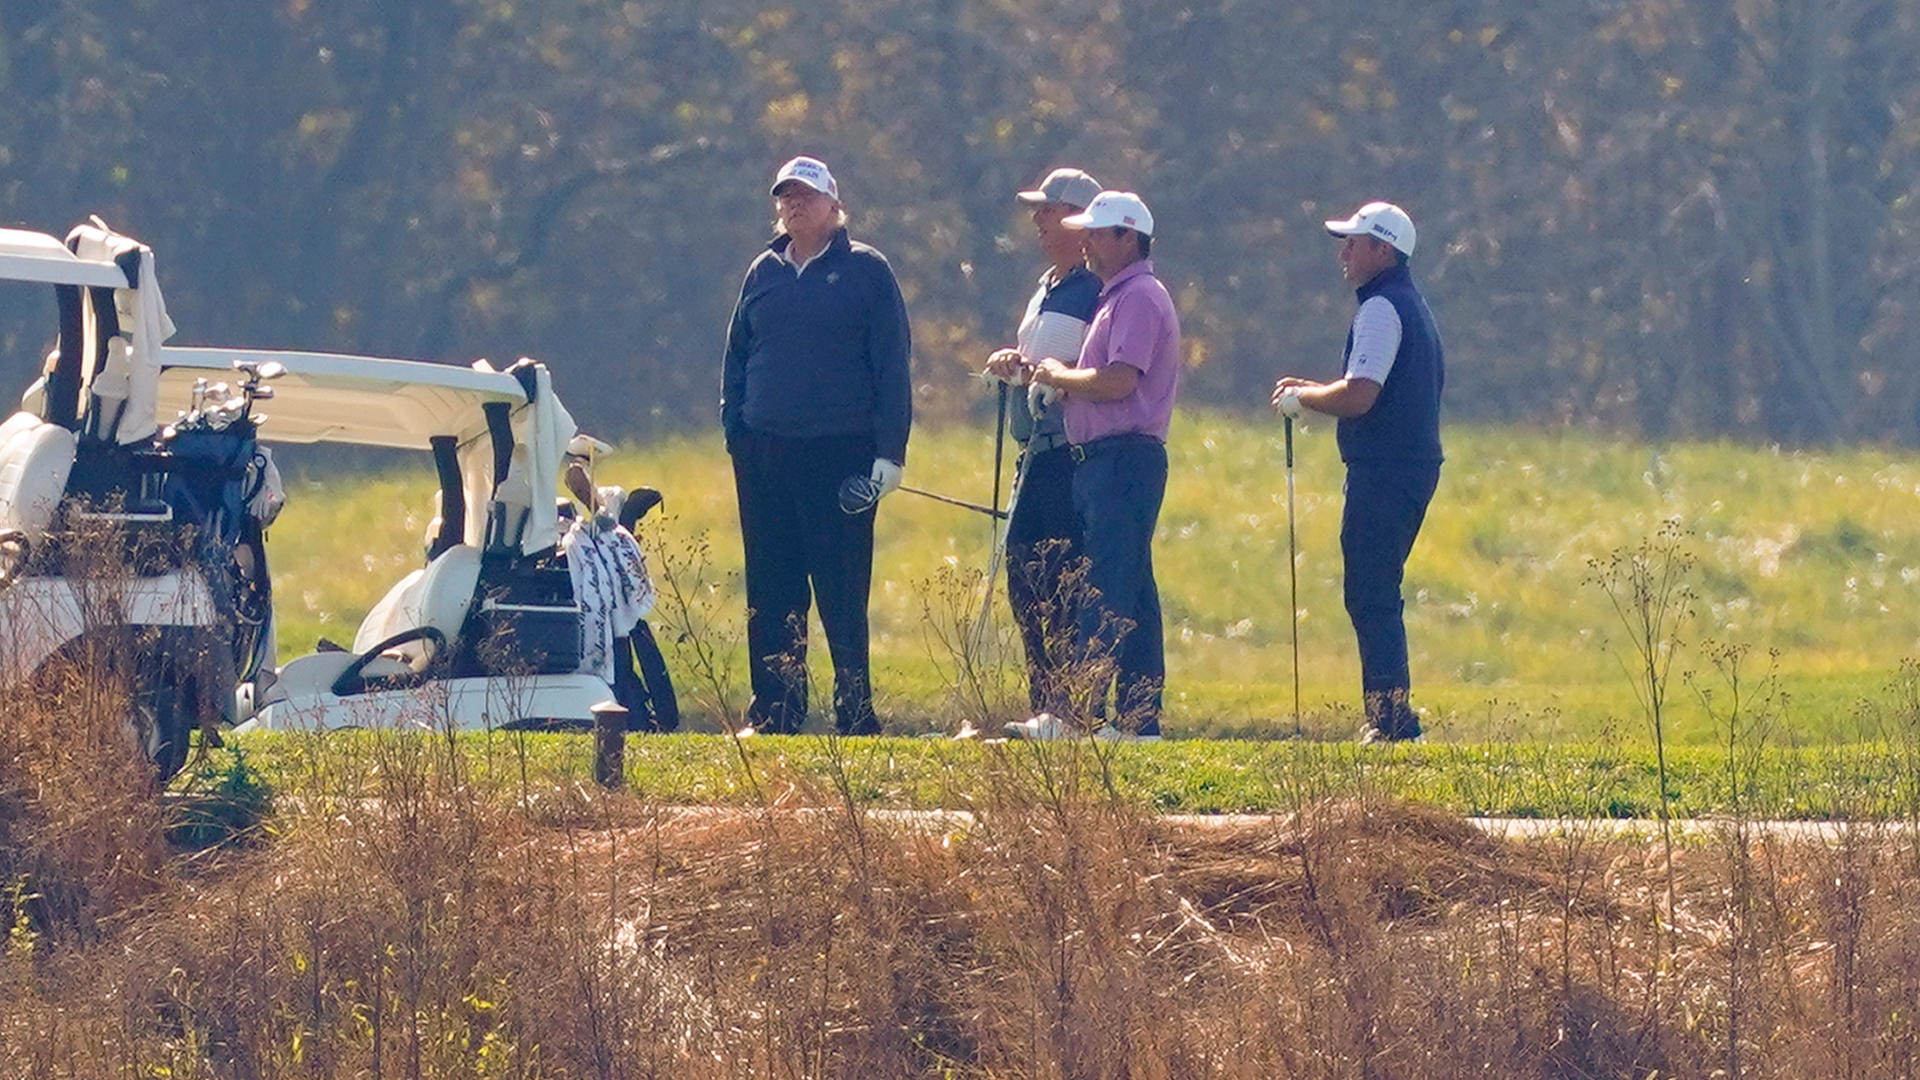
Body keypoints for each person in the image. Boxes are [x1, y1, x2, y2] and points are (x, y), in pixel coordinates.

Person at [720, 155, 912, 736]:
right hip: (765, 454)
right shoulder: (764, 272)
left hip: (840, 453)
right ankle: (776, 710)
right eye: (785, 196)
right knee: (772, 586)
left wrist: (888, 456)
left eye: (805, 195)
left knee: (840, 587)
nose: (793, 204)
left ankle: (855, 712)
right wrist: (737, 433)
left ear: (833, 204)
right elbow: (737, 356)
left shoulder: (866, 271)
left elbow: (891, 366)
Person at [1010, 190, 1180, 742]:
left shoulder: (1139, 297)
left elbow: (1117, 381)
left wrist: (1056, 376)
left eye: (1096, 233)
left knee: (1105, 585)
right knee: (1133, 587)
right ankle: (1138, 721)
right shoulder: (1114, 296)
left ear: (1127, 238)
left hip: (1124, 457)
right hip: (1105, 460)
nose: (1084, 241)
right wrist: (1055, 382)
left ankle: (1075, 713)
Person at [1273, 200, 1444, 743]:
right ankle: (1389, 718)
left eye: (1355, 243)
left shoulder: (1381, 309)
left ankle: (1394, 724)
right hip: (1407, 465)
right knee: (1374, 589)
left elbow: (1360, 395)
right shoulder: (1406, 303)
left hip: (1387, 469)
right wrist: (1313, 394)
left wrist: (1304, 398)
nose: (1344, 253)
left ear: (1384, 249)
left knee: (1370, 591)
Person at [981, 167, 1104, 718]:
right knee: (1025, 577)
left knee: (1062, 582)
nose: (1037, 220)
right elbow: (1041, 360)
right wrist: (1012, 361)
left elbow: (1094, 368)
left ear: (1078, 221)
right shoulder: (1046, 287)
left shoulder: (1096, 288)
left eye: (1048, 211)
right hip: (1032, 455)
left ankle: (1071, 709)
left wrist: (1043, 372)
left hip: (1067, 457)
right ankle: (1045, 704)